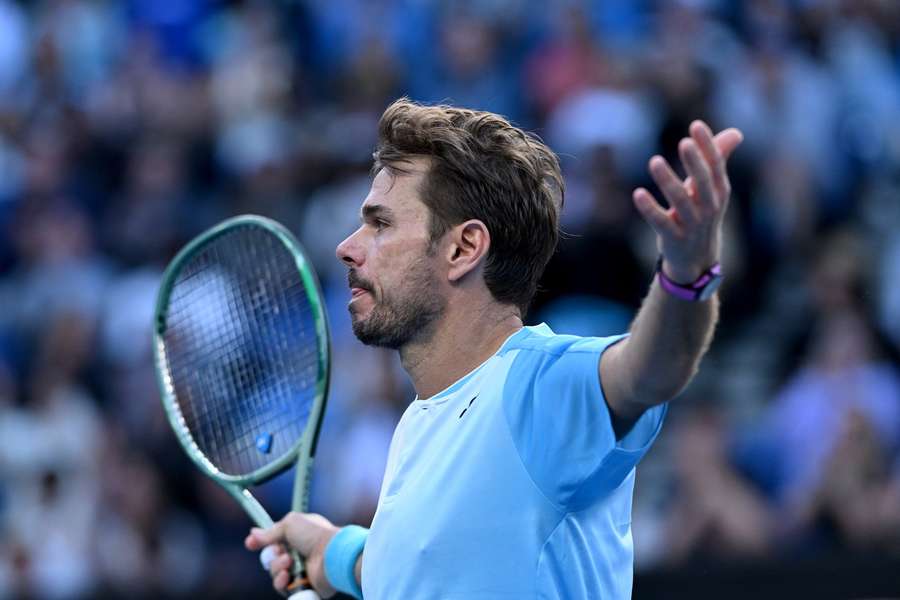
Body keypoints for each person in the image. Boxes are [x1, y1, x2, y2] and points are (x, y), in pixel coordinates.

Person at [245, 98, 742, 599]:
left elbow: (650, 371)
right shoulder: (421, 421)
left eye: (381, 223)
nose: (347, 246)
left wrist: (685, 277)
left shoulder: (538, 386)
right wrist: (335, 550)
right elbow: (432, 559)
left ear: (463, 249)